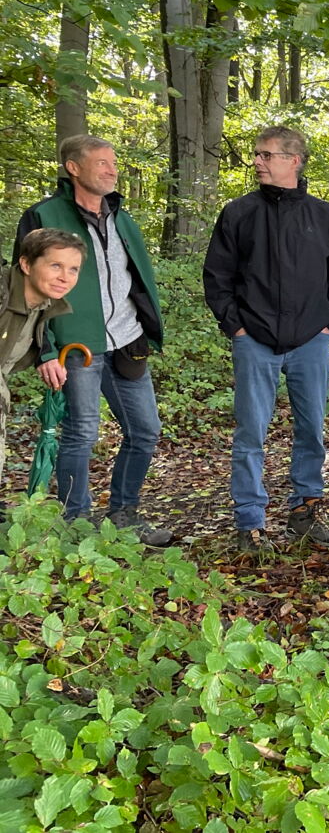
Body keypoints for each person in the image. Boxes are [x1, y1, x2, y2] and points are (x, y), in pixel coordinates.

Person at [203, 126, 329, 556]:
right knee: (251, 432)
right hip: (255, 339)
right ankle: (249, 522)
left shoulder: (323, 215)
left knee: (312, 430)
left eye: (267, 155)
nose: (258, 161)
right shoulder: (238, 213)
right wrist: (236, 325)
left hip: (312, 340)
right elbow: (218, 278)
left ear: (295, 159)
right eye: (256, 154)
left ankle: (305, 512)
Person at [16, 135, 171, 545]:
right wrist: (44, 349)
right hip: (74, 345)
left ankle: (123, 512)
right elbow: (26, 288)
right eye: (101, 163)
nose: (111, 169)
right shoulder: (43, 216)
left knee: (146, 431)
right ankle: (77, 523)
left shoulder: (121, 217)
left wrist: (147, 327)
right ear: (74, 167)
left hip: (127, 339)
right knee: (81, 433)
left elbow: (135, 278)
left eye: (113, 163)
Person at [0, 229, 83, 475]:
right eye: (55, 265)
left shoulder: (42, 304)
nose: (65, 277)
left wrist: (46, 356)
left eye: (73, 269)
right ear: (26, 264)